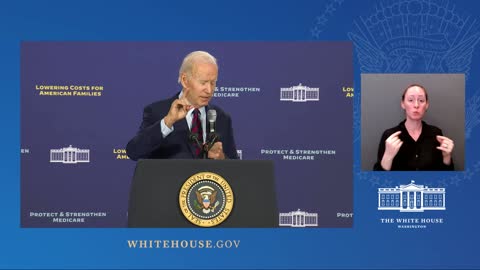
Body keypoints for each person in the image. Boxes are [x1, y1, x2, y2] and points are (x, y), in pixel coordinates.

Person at [126, 51, 238, 160]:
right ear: (185, 81)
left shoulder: (221, 118)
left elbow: (236, 170)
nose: (209, 90)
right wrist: (168, 122)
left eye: (213, 83)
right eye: (203, 83)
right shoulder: (157, 112)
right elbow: (134, 152)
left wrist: (222, 158)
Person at [373, 84, 454, 171]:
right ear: (403, 104)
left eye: (421, 100)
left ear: (426, 105)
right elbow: (378, 179)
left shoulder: (436, 134)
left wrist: (447, 157)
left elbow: (445, 177)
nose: (416, 105)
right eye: (410, 100)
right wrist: (388, 156)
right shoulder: (390, 135)